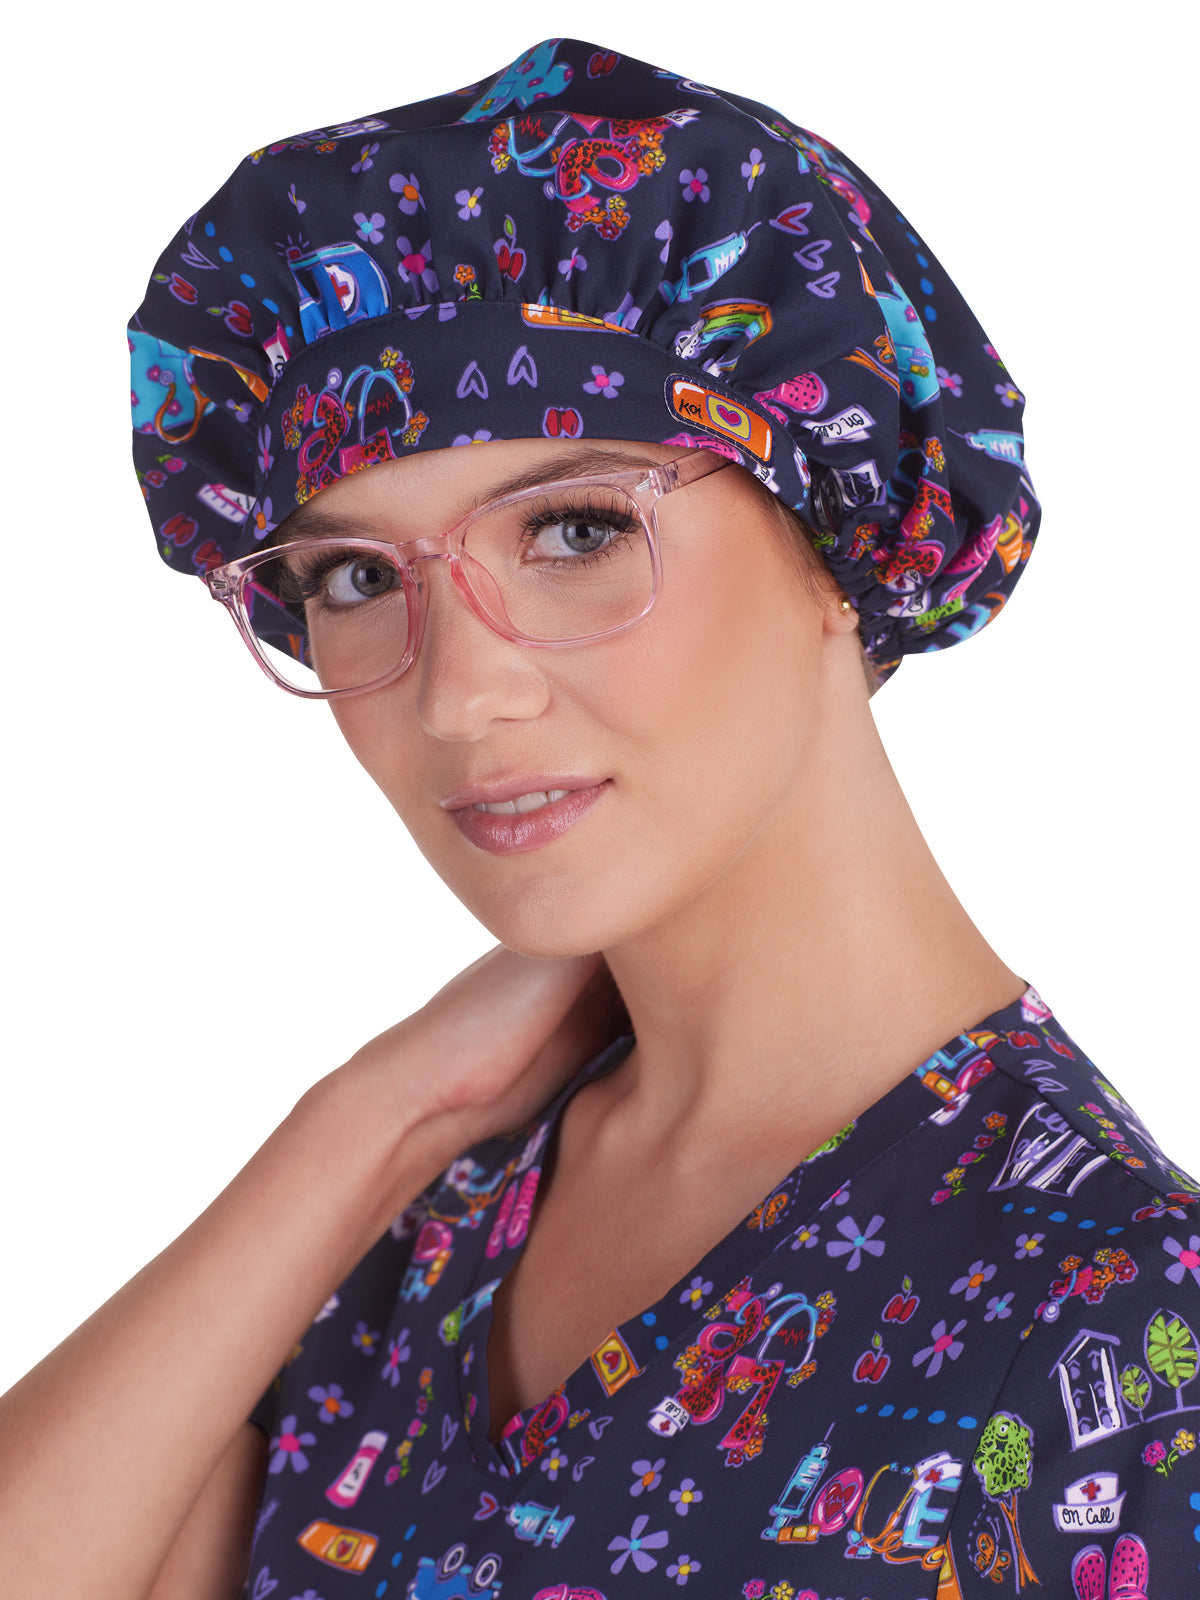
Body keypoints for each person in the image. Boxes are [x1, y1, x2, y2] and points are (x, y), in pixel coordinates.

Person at [3, 36, 1195, 1600]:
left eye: (572, 529)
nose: (457, 694)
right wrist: (367, 1122)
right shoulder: (417, 1227)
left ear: (842, 534)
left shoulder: (1118, 1334)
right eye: (354, 576)